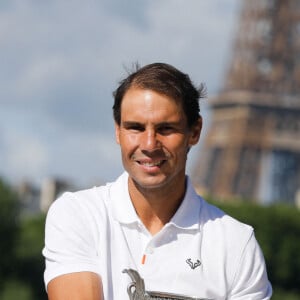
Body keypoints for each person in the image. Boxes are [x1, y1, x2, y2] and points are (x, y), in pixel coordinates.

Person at [43, 62, 272, 300]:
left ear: (195, 132)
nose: (150, 144)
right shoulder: (77, 214)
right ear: (117, 131)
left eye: (165, 129)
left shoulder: (236, 244)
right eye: (135, 127)